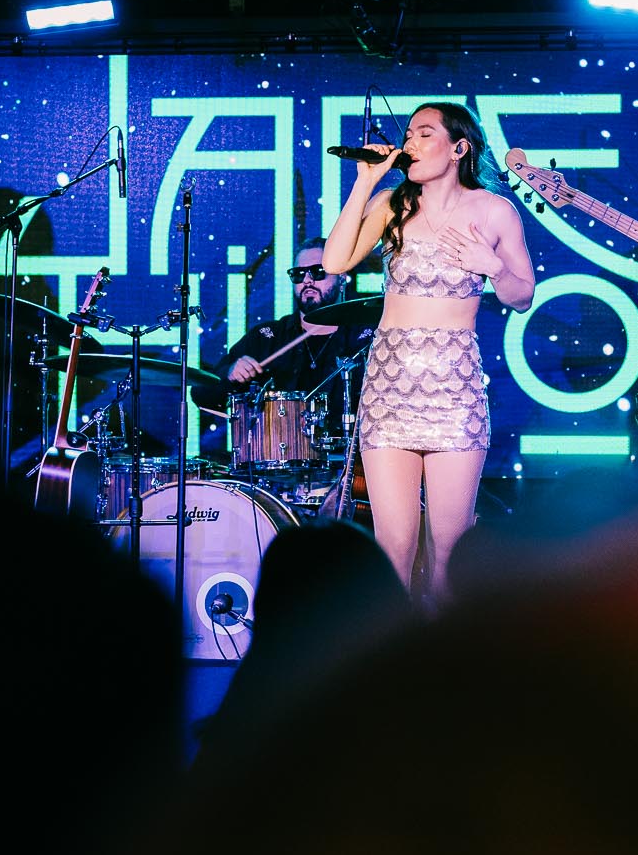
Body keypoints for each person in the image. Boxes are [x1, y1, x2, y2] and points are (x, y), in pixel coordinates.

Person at [322, 102, 535, 597]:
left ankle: (441, 663)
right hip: (389, 387)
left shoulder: (494, 211)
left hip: (453, 389)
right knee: (392, 544)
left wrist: (493, 267)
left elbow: (522, 296)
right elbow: (335, 262)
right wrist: (364, 182)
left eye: (424, 134)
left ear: (460, 148)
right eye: (409, 135)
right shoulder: (393, 204)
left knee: (449, 548)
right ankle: (389, 662)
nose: (411, 143)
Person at [217, 237, 377, 448]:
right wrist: (230, 373)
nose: (307, 281)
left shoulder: (365, 338)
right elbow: (202, 391)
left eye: (318, 272)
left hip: (350, 466)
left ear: (341, 277)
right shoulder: (268, 337)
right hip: (277, 469)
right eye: (299, 274)